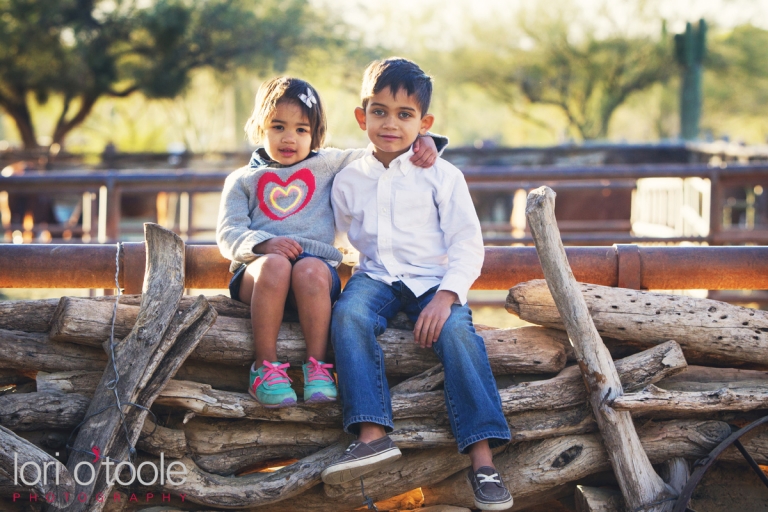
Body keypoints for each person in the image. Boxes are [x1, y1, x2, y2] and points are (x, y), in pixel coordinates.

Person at [323, 58, 513, 511]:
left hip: (433, 280)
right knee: (348, 316)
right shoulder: (347, 177)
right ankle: (372, 435)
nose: (391, 123)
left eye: (405, 115)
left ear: (424, 123)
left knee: (459, 336)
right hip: (376, 277)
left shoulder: (442, 175)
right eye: (380, 111)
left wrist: (446, 297)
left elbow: (468, 243)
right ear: (361, 115)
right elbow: (340, 233)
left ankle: (483, 460)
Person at [216, 76, 444, 409]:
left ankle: (318, 367)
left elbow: (381, 147)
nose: (289, 138)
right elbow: (228, 232)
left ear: (316, 134)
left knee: (309, 269)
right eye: (278, 126)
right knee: (277, 265)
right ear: (259, 127)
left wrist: (424, 141)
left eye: (302, 130)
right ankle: (264, 367)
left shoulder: (328, 164)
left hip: (314, 279)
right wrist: (264, 245)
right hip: (261, 278)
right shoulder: (241, 180)